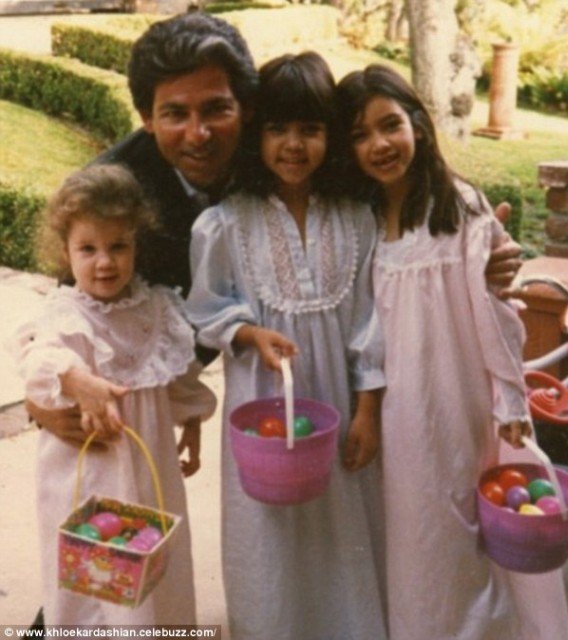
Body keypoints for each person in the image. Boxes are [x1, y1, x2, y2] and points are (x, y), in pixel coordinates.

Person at [28, 10, 521, 442]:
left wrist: (473, 255)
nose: (198, 134)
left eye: (217, 109)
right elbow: (67, 307)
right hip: (146, 390)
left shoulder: (281, 158)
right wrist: (42, 399)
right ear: (146, 117)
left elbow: (397, 166)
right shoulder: (112, 195)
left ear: (246, 108)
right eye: (175, 114)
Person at [336, 64, 568, 640]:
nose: (379, 145)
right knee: (418, 538)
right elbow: (369, 329)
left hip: (459, 394)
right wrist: (369, 410)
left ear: (417, 122)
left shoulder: (458, 208)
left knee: (465, 529)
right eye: (360, 136)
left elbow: (494, 315)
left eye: (390, 125)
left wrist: (511, 400)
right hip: (402, 410)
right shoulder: (367, 220)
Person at [185, 52, 387, 640]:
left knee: (345, 528)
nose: (293, 145)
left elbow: (374, 323)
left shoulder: (357, 220)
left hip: (344, 413)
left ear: (332, 135)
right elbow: (205, 307)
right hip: (262, 413)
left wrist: (369, 412)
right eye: (277, 128)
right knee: (269, 536)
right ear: (256, 133)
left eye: (310, 129)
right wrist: (247, 332)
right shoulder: (228, 222)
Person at [10, 164, 216, 625]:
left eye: (117, 246)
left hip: (150, 468)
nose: (105, 262)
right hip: (87, 475)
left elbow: (176, 377)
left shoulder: (157, 306)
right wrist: (76, 379)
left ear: (136, 244)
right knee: (94, 581)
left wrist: (194, 422)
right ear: (65, 251)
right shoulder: (65, 313)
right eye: (88, 249)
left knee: (150, 571)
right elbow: (37, 360)